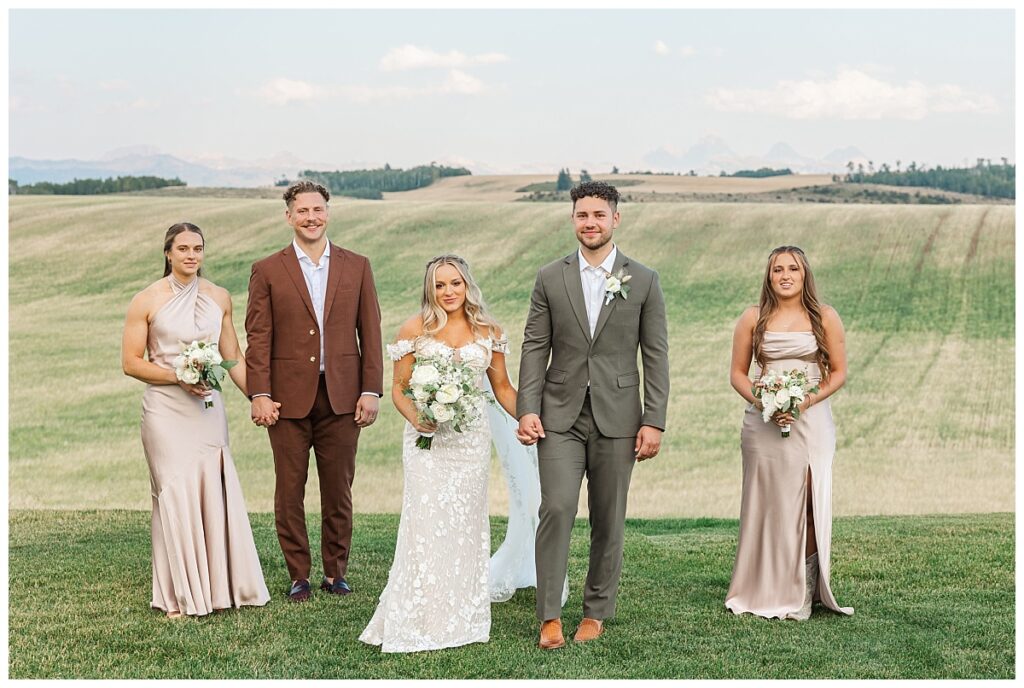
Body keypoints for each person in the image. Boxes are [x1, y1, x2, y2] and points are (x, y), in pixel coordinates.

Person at [517, 181, 670, 649]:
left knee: (609, 516)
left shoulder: (643, 279)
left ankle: (596, 610)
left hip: (619, 418)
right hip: (559, 415)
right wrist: (527, 408)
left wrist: (654, 419)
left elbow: (656, 355)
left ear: (615, 219)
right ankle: (549, 614)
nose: (590, 223)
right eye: (582, 215)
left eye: (599, 215)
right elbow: (534, 346)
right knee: (557, 507)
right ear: (572, 220)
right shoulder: (549, 277)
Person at [359, 254, 521, 653]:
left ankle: (461, 614)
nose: (448, 292)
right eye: (440, 285)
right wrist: (417, 417)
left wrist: (531, 418)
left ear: (468, 286)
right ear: (429, 289)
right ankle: (420, 614)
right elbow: (398, 388)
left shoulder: (488, 331)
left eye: (455, 284)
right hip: (425, 442)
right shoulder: (415, 329)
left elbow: (502, 389)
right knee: (425, 522)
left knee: (465, 524)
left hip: (469, 443)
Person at [121, 222, 271, 618]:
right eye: (183, 248)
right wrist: (179, 376)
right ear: (168, 253)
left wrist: (258, 397)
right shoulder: (146, 300)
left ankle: (221, 588)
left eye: (198, 248)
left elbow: (232, 355)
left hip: (207, 410)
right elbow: (131, 363)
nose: (191, 255)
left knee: (211, 490)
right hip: (165, 412)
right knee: (175, 492)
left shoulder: (219, 296)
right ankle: (179, 596)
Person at [245, 181, 384, 602]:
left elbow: (370, 331)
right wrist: (259, 393)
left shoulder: (356, 265)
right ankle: (298, 574)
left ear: (328, 212)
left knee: (338, 489)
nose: (311, 217)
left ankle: (335, 572)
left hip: (343, 396)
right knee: (289, 489)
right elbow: (258, 337)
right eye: (302, 210)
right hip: (286, 399)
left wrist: (371, 390)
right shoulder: (268, 269)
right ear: (288, 216)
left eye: (318, 209)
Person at [725, 245, 854, 620]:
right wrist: (767, 402)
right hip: (762, 425)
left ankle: (805, 587)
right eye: (777, 269)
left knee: (809, 501)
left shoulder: (825, 317)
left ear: (804, 275)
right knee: (767, 504)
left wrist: (804, 402)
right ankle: (763, 586)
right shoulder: (753, 318)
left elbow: (838, 373)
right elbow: (737, 373)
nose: (785, 275)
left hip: (811, 421)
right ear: (768, 276)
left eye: (793, 269)